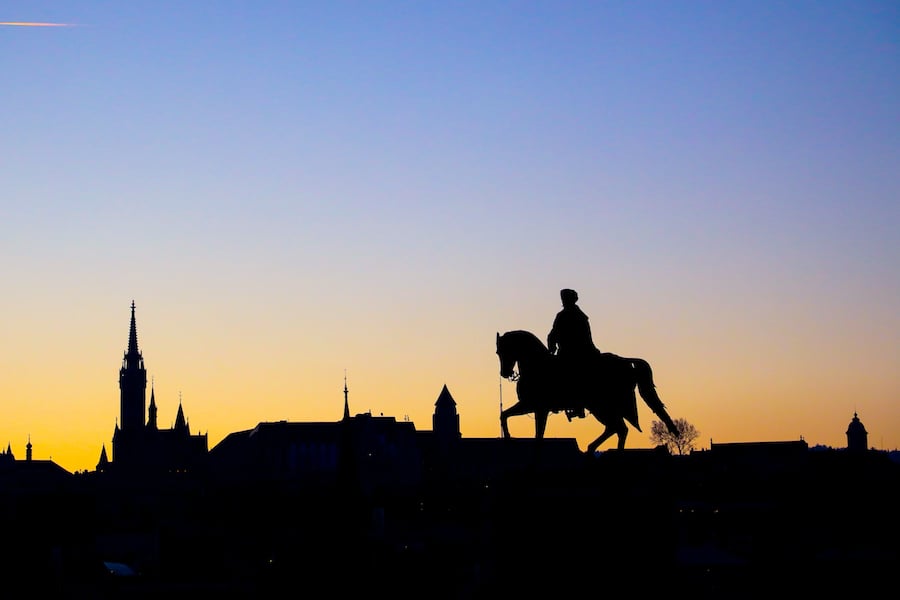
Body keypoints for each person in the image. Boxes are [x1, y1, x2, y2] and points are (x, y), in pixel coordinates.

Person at [547, 288, 598, 420]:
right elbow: (553, 333)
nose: (563, 301)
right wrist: (551, 346)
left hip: (577, 352)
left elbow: (582, 337)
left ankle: (577, 405)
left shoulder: (576, 315)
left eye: (565, 299)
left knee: (571, 374)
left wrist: (556, 344)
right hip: (566, 351)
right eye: (562, 299)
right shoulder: (563, 315)